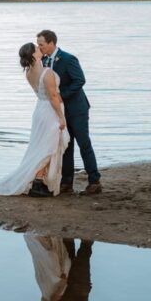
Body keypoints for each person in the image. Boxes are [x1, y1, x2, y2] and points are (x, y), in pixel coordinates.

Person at [0, 42, 70, 197]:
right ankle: (38, 182)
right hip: (50, 111)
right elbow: (53, 96)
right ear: (33, 55)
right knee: (49, 147)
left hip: (40, 110)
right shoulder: (46, 73)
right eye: (36, 48)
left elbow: (42, 94)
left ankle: (39, 181)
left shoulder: (29, 73)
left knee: (42, 147)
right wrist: (61, 118)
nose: (39, 48)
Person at [36, 30, 102, 195]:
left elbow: (80, 80)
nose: (39, 47)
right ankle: (67, 183)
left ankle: (94, 182)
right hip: (58, 112)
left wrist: (61, 96)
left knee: (83, 144)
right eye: (38, 44)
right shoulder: (42, 61)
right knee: (66, 146)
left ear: (51, 43)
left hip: (77, 109)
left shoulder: (68, 58)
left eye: (41, 44)